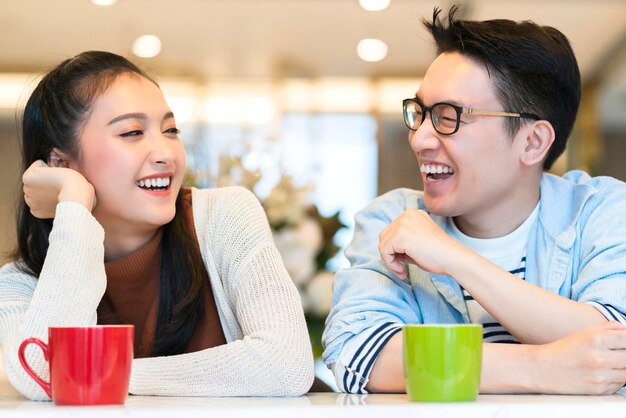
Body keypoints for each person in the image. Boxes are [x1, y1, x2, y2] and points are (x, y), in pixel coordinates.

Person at [323, 6, 626, 395]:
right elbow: (358, 355)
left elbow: (614, 348)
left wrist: (456, 259)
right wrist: (540, 366)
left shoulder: (602, 210)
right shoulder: (393, 219)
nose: (420, 139)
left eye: (448, 116)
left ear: (532, 142)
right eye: (421, 113)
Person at [0, 51, 314, 400]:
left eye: (170, 130)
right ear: (61, 163)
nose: (166, 152)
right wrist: (73, 204)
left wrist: (96, 372)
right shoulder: (21, 281)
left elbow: (287, 365)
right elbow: (40, 375)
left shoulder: (225, 216)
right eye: (133, 132)